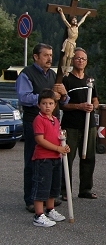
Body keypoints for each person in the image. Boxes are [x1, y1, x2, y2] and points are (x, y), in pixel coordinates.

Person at [16, 43, 69, 213]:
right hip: (35, 121)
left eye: (51, 55)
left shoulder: (54, 75)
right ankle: (32, 199)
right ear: (36, 57)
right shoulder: (27, 74)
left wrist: (64, 93)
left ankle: (48, 197)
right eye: (45, 55)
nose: (49, 58)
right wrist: (46, 97)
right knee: (34, 159)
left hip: (53, 122)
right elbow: (24, 97)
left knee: (51, 161)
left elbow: (62, 101)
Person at [60, 48, 100, 201]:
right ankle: (64, 191)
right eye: (77, 58)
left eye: (83, 59)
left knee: (89, 157)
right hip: (70, 125)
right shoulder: (66, 80)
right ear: (72, 61)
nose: (80, 61)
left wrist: (93, 106)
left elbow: (95, 99)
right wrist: (79, 106)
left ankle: (85, 189)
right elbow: (62, 105)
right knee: (67, 158)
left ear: (86, 61)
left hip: (88, 125)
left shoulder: (90, 80)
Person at [31, 89, 70, 227]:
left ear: (55, 105)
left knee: (53, 186)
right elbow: (40, 140)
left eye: (50, 103)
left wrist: (63, 146)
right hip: (43, 159)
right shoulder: (39, 120)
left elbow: (58, 137)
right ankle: (38, 215)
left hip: (55, 158)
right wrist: (57, 148)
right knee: (42, 185)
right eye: (44, 103)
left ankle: (50, 209)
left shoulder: (55, 120)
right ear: (39, 105)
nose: (47, 106)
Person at [57, 7, 91, 72]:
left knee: (70, 57)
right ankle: (63, 67)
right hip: (69, 42)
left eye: (75, 20)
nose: (75, 21)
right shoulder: (69, 27)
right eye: (73, 20)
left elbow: (82, 21)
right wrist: (61, 12)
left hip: (73, 43)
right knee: (66, 55)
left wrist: (86, 15)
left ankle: (67, 69)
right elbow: (64, 20)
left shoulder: (77, 26)